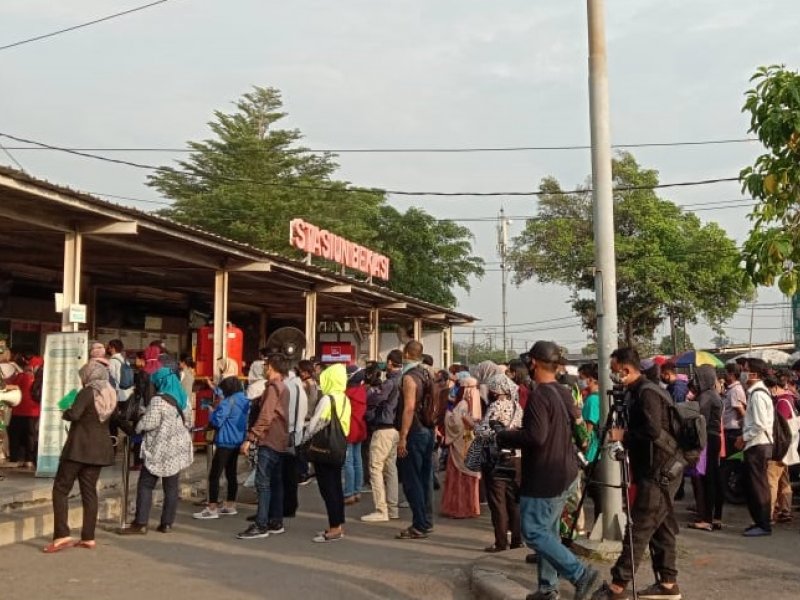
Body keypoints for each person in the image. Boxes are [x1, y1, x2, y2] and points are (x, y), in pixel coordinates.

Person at [495, 341, 598, 600]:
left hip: (544, 476)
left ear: (534, 363)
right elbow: (578, 429)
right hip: (565, 471)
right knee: (549, 531)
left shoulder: (540, 394)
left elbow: (536, 437)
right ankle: (547, 587)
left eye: (528, 361)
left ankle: (581, 574)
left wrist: (504, 435)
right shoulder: (563, 391)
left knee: (534, 532)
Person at [590, 347, 682, 600]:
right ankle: (667, 584)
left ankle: (617, 587)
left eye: (613, 369)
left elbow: (652, 431)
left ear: (626, 369)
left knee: (640, 526)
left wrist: (624, 436)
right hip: (653, 469)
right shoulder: (636, 391)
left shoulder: (647, 392)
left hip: (661, 470)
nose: (611, 374)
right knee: (661, 528)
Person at [45, 361, 116, 552]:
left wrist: (65, 411)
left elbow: (75, 414)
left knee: (61, 489)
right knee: (89, 491)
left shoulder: (87, 392)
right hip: (99, 449)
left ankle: (61, 535)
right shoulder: (110, 392)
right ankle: (88, 537)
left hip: (78, 448)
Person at [120, 366, 194, 535]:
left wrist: (138, 425)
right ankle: (166, 523)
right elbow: (188, 420)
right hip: (177, 448)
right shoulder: (183, 398)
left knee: (146, 485)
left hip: (159, 448)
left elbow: (149, 423)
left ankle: (141, 523)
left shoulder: (158, 400)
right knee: (171, 487)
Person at [237, 355, 289, 539]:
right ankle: (275, 520)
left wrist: (251, 438)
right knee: (275, 482)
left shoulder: (273, 388)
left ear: (272, 367)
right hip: (280, 439)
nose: (265, 368)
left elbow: (266, 416)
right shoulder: (284, 387)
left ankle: (261, 524)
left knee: (263, 482)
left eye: (267, 365)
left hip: (269, 439)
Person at [303, 362, 352, 542]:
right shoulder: (344, 398)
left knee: (328, 489)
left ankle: (334, 529)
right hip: (339, 447)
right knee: (336, 487)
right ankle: (338, 525)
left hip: (324, 449)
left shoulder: (327, 399)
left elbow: (316, 424)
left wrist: (304, 437)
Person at [193, 375, 249, 519]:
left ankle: (212, 507)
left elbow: (217, 421)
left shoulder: (228, 402)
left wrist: (212, 412)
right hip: (237, 440)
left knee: (215, 475)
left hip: (225, 440)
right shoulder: (244, 400)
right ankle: (230, 505)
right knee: (231, 473)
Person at [396, 340, 436, 540]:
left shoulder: (409, 378)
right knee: (425, 478)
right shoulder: (428, 373)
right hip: (429, 429)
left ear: (406, 353)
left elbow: (409, 408)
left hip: (415, 431)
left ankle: (419, 524)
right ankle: (426, 521)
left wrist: (402, 436)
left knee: (412, 481)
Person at [480, 374, 523, 549]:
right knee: (514, 500)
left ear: (497, 390)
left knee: (498, 501)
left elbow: (484, 432)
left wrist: (473, 424)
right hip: (516, 457)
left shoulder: (495, 406)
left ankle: (500, 542)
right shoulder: (517, 406)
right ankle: (517, 540)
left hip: (497, 459)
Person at [734, 358, 774, 537]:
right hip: (756, 444)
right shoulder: (756, 393)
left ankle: (764, 524)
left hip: (758, 444)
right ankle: (759, 521)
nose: (742, 372)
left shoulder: (758, 394)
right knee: (754, 485)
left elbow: (760, 424)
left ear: (754, 374)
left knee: (759, 487)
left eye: (745, 369)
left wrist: (744, 437)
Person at [362, 351, 402, 522]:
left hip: (383, 428)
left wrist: (370, 391)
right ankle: (392, 509)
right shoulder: (403, 379)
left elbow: (373, 398)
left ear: (390, 363)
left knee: (375, 468)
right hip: (395, 430)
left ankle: (381, 509)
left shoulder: (390, 382)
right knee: (391, 469)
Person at [439, 376, 482, 521]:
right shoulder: (476, 403)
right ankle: (471, 507)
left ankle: (458, 507)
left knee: (459, 474)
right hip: (469, 441)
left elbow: (454, 423)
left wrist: (447, 415)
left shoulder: (462, 403)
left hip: (460, 443)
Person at [688, 365, 724, 532]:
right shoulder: (715, 395)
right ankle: (716, 517)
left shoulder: (706, 397)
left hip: (707, 438)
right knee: (715, 477)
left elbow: (698, 420)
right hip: (715, 437)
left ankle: (706, 519)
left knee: (707, 479)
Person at [764, 369, 795, 524]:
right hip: (787, 448)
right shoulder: (790, 399)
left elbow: (779, 428)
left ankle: (768, 515)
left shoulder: (782, 402)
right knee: (784, 479)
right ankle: (785, 510)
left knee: (771, 480)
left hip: (780, 448)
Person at [282, 368, 308, 518]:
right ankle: (290, 506)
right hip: (296, 436)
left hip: (287, 436)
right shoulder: (299, 389)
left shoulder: (289, 388)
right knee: (291, 475)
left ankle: (286, 507)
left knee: (284, 475)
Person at [578, 363, 602, 523]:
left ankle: (597, 526)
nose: (580, 381)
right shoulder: (601, 397)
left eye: (581, 378)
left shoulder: (592, 399)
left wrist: (583, 445)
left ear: (591, 380)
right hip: (599, 450)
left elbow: (587, 427)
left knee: (597, 492)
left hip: (593, 452)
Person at [8, 355, 41, 469]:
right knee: (30, 436)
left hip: (20, 410)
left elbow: (12, 386)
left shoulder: (23, 376)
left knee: (15, 435)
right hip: (35, 411)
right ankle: (29, 460)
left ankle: (15, 459)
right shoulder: (41, 377)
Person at [344, 367, 367, 505]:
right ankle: (357, 490)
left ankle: (348, 492)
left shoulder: (346, 393)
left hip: (348, 429)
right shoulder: (362, 392)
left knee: (348, 462)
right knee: (358, 460)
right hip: (360, 428)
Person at [722, 363, 746, 456]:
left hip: (733, 432)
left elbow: (741, 411)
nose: (724, 375)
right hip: (731, 431)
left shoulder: (735, 390)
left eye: (725, 373)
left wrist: (743, 426)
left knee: (731, 461)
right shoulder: (731, 389)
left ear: (731, 374)